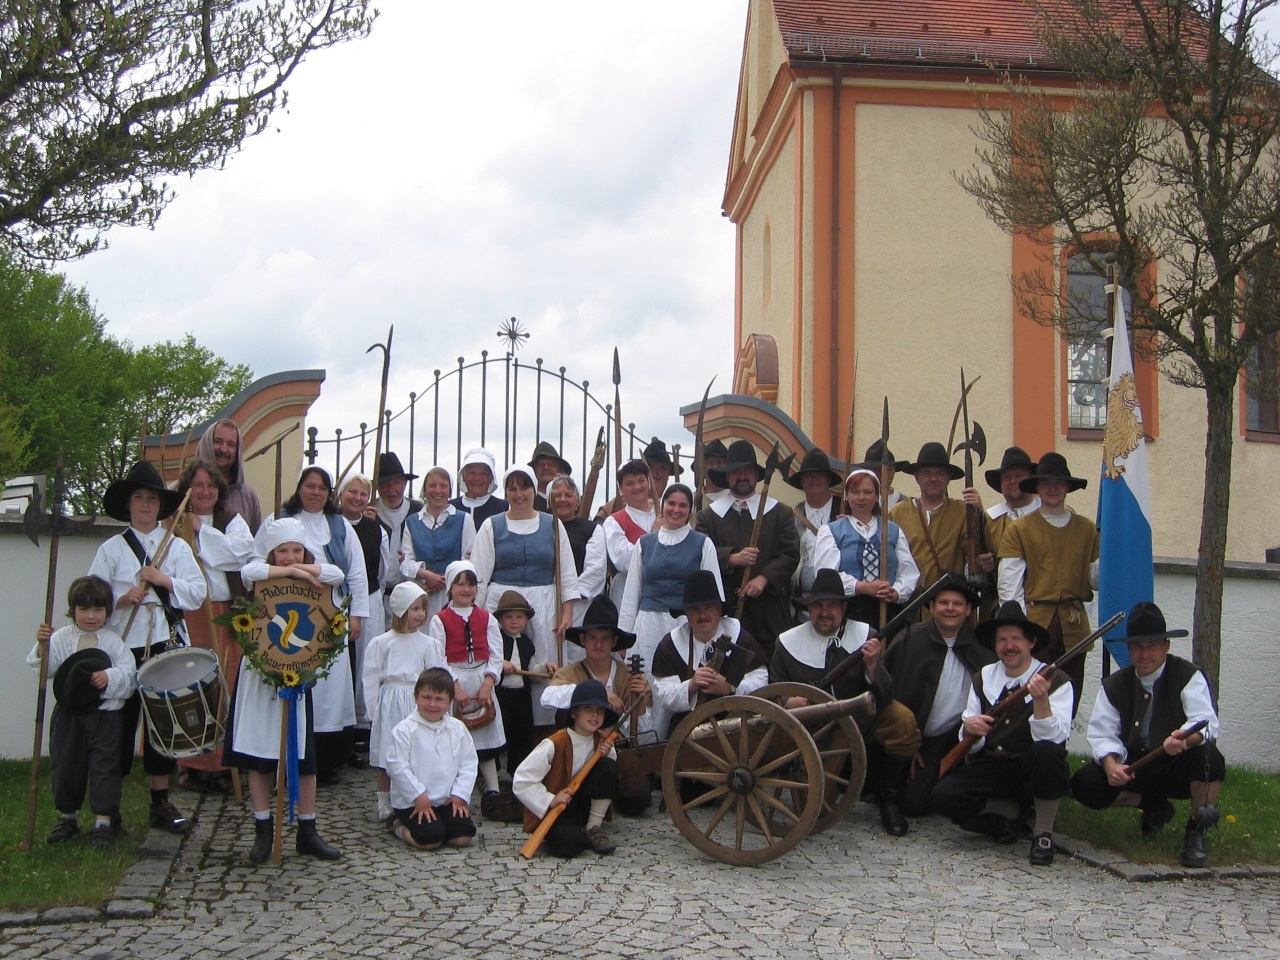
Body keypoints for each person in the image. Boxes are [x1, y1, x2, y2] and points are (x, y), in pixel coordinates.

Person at [89, 459, 206, 833]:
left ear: (160, 504)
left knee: (162, 725)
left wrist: (162, 579)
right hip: (124, 645)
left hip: (164, 640)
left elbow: (197, 593)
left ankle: (160, 802)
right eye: (138, 497)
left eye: (151, 498)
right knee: (119, 725)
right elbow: (92, 596)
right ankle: (111, 806)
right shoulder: (111, 548)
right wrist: (122, 599)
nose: (144, 504)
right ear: (128, 503)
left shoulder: (176, 547)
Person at [1070, 602, 1224, 869]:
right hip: (1136, 766)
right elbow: (1101, 734)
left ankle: (1195, 832)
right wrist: (1111, 765)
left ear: (1166, 645)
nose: (1144, 654)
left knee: (1210, 757)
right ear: (1129, 649)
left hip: (1177, 763)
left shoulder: (1188, 676)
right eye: (1137, 647)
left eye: (1151, 645)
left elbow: (1206, 722)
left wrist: (1183, 739)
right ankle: (1154, 806)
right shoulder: (1114, 685)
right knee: (1085, 784)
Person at [770, 569, 923, 836]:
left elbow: (885, 694)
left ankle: (889, 800)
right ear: (809, 608)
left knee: (902, 719)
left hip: (862, 718)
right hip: (818, 734)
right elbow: (774, 691)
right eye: (818, 605)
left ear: (843, 608)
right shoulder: (787, 643)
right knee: (815, 809)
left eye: (832, 606)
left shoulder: (866, 635)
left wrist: (873, 665)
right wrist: (787, 701)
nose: (825, 612)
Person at [230, 517, 343, 861]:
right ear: (271, 553)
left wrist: (305, 570)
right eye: (282, 552)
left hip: (296, 671)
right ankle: (263, 828)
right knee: (258, 753)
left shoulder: (315, 568)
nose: (290, 557)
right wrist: (291, 573)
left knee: (303, 755)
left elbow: (336, 575)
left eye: (297, 550)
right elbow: (249, 572)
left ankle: (307, 829)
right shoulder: (260, 571)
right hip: (261, 670)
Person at [930, 601, 1073, 866]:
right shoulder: (983, 677)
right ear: (995, 646)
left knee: (1047, 754)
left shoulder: (1058, 681)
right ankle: (1014, 813)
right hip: (993, 767)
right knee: (944, 796)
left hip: (1031, 768)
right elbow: (970, 740)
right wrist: (970, 728)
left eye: (1016, 639)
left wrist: (1040, 700)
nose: (1009, 646)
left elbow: (1055, 739)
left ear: (1030, 642)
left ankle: (1042, 833)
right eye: (1002, 640)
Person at [256, 466, 369, 786]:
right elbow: (254, 563)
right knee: (293, 682)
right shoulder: (276, 522)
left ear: (329, 492)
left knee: (329, 691)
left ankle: (325, 760)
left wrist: (356, 614)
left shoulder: (340, 526)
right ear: (299, 488)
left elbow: (355, 573)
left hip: (328, 616)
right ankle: (287, 755)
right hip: (285, 615)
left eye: (322, 487)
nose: (316, 492)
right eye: (310, 485)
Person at [30, 576, 137, 848]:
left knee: (104, 766)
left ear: (107, 612)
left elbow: (129, 674)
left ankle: (103, 820)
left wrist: (109, 677)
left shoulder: (113, 643)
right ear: (72, 610)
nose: (90, 616)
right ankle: (67, 817)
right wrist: (43, 644)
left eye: (98, 610)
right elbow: (47, 668)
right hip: (69, 714)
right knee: (66, 763)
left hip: (104, 716)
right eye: (84, 610)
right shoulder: (61, 638)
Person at [471, 466, 580, 730]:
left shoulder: (551, 523)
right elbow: (480, 574)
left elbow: (565, 572)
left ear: (535, 490)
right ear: (506, 491)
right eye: (512, 488)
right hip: (501, 604)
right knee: (503, 663)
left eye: (524, 487)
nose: (518, 494)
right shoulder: (492, 525)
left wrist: (566, 615)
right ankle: (498, 726)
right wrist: (477, 616)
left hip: (543, 606)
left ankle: (540, 728)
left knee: (541, 665)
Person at [882, 574, 997, 816]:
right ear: (932, 607)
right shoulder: (910, 639)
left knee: (925, 799)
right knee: (910, 803)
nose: (950, 609)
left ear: (968, 610)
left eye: (957, 604)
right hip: (914, 736)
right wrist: (909, 744)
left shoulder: (981, 649)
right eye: (944, 602)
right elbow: (891, 692)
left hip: (956, 736)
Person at [173, 458, 254, 793]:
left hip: (224, 611)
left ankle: (223, 764)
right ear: (187, 488)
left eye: (211, 485)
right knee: (190, 687)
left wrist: (201, 532)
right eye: (198, 484)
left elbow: (236, 554)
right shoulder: (173, 520)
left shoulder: (230, 521)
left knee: (226, 685)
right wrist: (185, 529)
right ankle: (191, 765)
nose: (205, 491)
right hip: (188, 611)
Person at [998, 452, 1100, 713]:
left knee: (1070, 689)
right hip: (1036, 622)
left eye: (1058, 482)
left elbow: (1096, 578)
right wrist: (1020, 630)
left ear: (1067, 487)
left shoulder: (1087, 529)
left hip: (1074, 624)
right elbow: (1009, 585)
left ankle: (1060, 746)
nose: (1053, 488)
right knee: (1032, 691)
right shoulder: (1019, 529)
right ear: (1038, 488)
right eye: (1046, 483)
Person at [542, 595, 652, 815]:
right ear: (582, 639)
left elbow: (644, 732)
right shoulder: (570, 672)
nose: (598, 644)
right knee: (563, 713)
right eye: (592, 637)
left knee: (637, 799)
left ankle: (608, 792)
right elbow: (547, 698)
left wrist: (640, 701)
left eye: (605, 638)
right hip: (578, 752)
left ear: (614, 642)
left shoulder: (628, 676)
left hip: (615, 749)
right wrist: (598, 692)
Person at [694, 439, 800, 659]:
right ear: (727, 476)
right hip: (728, 611)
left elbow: (790, 554)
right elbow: (701, 553)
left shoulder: (780, 513)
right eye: (736, 472)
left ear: (755, 474)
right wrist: (732, 559)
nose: (742, 476)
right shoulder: (709, 516)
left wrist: (763, 579)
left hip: (769, 612)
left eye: (747, 471)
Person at [650, 570, 769, 739]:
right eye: (695, 610)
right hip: (688, 733)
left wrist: (730, 688)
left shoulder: (740, 637)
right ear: (687, 614)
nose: (703, 615)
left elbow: (761, 682)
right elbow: (663, 695)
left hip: (737, 728)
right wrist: (691, 685)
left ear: (719, 610)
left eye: (709, 608)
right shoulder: (670, 645)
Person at [428, 560, 506, 817]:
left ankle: (492, 789)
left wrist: (488, 682)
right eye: (460, 584)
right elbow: (438, 655)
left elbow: (496, 653)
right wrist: (455, 687)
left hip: (481, 679)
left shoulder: (487, 618)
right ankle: (451, 791)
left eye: (470, 584)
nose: (466, 589)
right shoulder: (440, 620)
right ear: (450, 587)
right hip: (455, 682)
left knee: (484, 737)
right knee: (455, 738)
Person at [363, 581, 445, 823]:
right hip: (390, 701)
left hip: (417, 701)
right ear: (400, 610)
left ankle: (415, 796)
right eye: (414, 609)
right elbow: (370, 678)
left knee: (417, 750)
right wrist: (372, 710)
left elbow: (437, 675)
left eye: (422, 609)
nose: (420, 614)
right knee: (386, 751)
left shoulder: (429, 644)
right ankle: (383, 799)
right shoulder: (382, 643)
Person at [618, 482, 722, 671]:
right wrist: (625, 636)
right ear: (662, 505)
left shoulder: (703, 544)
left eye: (683, 505)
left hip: (686, 625)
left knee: (681, 682)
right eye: (671, 503)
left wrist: (715, 634)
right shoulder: (644, 544)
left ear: (690, 510)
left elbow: (715, 595)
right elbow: (632, 593)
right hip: (648, 625)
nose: (676, 510)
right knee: (645, 683)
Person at [514, 678, 622, 857]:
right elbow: (522, 780)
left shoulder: (602, 741)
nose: (594, 715)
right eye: (588, 708)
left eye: (599, 710)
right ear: (574, 713)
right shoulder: (554, 743)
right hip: (559, 807)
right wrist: (550, 800)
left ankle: (592, 827)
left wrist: (606, 754)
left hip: (585, 804)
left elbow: (608, 775)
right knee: (569, 846)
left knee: (609, 767)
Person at [888, 442, 987, 618]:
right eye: (927, 473)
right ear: (917, 477)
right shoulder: (897, 513)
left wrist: (978, 513)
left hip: (947, 609)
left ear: (948, 478)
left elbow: (977, 552)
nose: (933, 479)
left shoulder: (962, 511)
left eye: (940, 473)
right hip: (906, 609)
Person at [385, 667, 479, 850]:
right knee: (431, 840)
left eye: (439, 699)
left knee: (462, 837)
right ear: (416, 696)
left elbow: (468, 762)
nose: (432, 705)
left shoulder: (457, 728)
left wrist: (460, 794)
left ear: (450, 701)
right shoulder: (404, 730)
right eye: (426, 698)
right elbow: (397, 767)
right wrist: (417, 796)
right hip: (413, 801)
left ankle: (442, 821)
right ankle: (396, 825)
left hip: (445, 799)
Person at [813, 467, 919, 630]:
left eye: (868, 492)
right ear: (847, 496)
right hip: (851, 611)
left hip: (888, 611)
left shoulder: (892, 530)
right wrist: (864, 587)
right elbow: (826, 576)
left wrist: (896, 592)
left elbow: (909, 572)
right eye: (855, 492)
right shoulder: (831, 531)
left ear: (877, 496)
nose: (861, 497)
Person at [336, 472, 390, 753]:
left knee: (366, 662)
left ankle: (362, 723)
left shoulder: (376, 529)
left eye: (362, 494)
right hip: (333, 601)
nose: (357, 498)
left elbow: (382, 570)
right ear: (341, 495)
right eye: (352, 492)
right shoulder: (330, 525)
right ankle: (338, 725)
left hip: (368, 599)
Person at [400, 465, 477, 621]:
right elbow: (406, 562)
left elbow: (469, 560)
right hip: (421, 591)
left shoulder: (464, 519)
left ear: (449, 491)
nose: (438, 490)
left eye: (443, 486)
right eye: (432, 485)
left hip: (452, 595)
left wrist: (444, 580)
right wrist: (425, 574)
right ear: (425, 489)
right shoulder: (412, 521)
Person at [493, 590, 538, 804]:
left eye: (519, 617)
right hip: (501, 695)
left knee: (522, 733)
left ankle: (517, 771)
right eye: (508, 617)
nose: (513, 622)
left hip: (521, 695)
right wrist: (503, 664)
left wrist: (544, 668)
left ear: (526, 620)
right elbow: (489, 660)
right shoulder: (496, 640)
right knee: (500, 732)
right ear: (500, 620)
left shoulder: (527, 643)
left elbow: (531, 666)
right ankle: (491, 772)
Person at [547, 474, 607, 627]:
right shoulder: (540, 528)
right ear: (548, 501)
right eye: (557, 495)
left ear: (577, 501)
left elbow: (596, 569)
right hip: (545, 601)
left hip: (579, 606)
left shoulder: (591, 530)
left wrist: (569, 597)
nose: (562, 499)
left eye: (568, 495)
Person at [373, 452, 421, 629]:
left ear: (405, 483)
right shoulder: (369, 513)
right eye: (385, 484)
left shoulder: (418, 512)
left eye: (396, 483)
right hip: (378, 595)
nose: (391, 490)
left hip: (411, 594)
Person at [786, 446, 843, 595]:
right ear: (802, 481)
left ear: (829, 479)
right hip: (801, 601)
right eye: (809, 475)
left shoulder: (845, 512)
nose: (814, 479)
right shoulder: (791, 518)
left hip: (840, 599)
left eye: (819, 474)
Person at [601, 459, 657, 607]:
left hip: (663, 590)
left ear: (648, 483)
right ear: (620, 489)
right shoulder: (613, 522)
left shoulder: (666, 514)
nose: (637, 487)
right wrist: (655, 536)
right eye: (629, 483)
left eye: (641, 480)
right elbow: (625, 561)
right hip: (629, 593)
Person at [195, 418, 263, 533]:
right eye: (218, 441)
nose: (224, 449)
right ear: (207, 443)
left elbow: (255, 544)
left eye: (231, 444)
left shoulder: (247, 496)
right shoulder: (182, 488)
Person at [450, 446, 508, 530]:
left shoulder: (504, 508)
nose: (477, 478)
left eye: (483, 473)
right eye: (472, 473)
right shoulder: (451, 508)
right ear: (464, 476)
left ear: (491, 477)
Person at [862, 440, 908, 512]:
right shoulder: (857, 502)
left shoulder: (906, 504)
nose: (883, 475)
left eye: (888, 470)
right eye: (877, 470)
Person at [528, 440, 572, 513]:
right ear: (533, 471)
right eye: (541, 465)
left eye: (551, 464)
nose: (546, 468)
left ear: (561, 470)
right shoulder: (526, 502)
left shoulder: (574, 503)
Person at [700, 438, 730, 505]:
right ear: (703, 467)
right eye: (710, 462)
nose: (715, 467)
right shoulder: (693, 499)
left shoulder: (735, 498)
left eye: (719, 463)